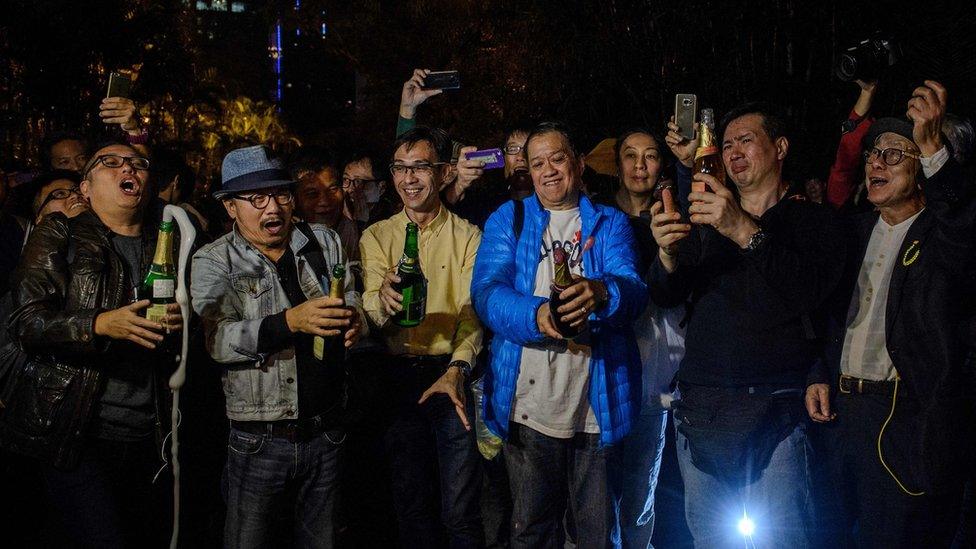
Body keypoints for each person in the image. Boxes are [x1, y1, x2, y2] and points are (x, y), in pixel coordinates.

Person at [649, 103, 846, 547]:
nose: (733, 150)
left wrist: (740, 228)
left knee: (783, 538)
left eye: (746, 140)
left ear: (779, 148)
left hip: (775, 410)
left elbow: (808, 293)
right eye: (728, 142)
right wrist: (665, 254)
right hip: (701, 409)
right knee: (711, 540)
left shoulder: (811, 222)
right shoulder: (706, 220)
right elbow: (666, 293)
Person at [805, 81, 976, 547]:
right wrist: (819, 371)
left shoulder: (942, 234)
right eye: (873, 153)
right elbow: (825, 314)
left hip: (904, 418)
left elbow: (964, 233)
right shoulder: (854, 231)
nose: (876, 161)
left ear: (922, 168)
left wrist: (935, 149)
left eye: (894, 153)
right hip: (840, 416)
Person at [472, 121, 646, 547]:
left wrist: (604, 292)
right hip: (530, 407)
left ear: (579, 164)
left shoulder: (610, 223)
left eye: (557, 158)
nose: (548, 170)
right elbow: (487, 293)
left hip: (595, 406)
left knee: (596, 533)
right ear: (528, 173)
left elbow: (634, 290)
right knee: (531, 530)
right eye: (537, 163)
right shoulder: (509, 218)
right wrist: (539, 315)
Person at [1, 141, 183, 547]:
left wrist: (182, 321)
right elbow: (26, 323)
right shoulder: (59, 233)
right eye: (111, 162)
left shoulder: (171, 241)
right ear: (85, 188)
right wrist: (99, 323)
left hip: (149, 434)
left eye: (137, 163)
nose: (128, 168)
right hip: (77, 429)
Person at [190, 145, 364, 549]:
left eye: (281, 195)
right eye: (256, 199)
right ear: (230, 207)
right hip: (260, 439)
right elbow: (218, 341)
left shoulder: (323, 240)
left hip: (327, 433)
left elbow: (351, 294)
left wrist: (357, 319)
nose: (273, 209)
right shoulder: (214, 260)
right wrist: (289, 322)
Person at [359, 126, 484, 547]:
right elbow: (371, 310)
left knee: (460, 510)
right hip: (397, 378)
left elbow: (472, 314)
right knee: (411, 506)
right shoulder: (377, 236)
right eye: (399, 168)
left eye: (420, 168)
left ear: (445, 172)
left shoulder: (469, 236)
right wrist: (383, 299)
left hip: (451, 374)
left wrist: (458, 368)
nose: (408, 179)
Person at [593, 128, 686, 548]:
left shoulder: (671, 219)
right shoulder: (594, 220)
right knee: (594, 499)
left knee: (640, 496)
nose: (639, 165)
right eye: (630, 155)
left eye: (650, 156)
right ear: (617, 164)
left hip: (653, 377)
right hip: (602, 375)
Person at [289, 146, 361, 262]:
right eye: (312, 194)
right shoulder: (283, 241)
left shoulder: (362, 234)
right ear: (293, 199)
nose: (324, 201)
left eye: (332, 189)